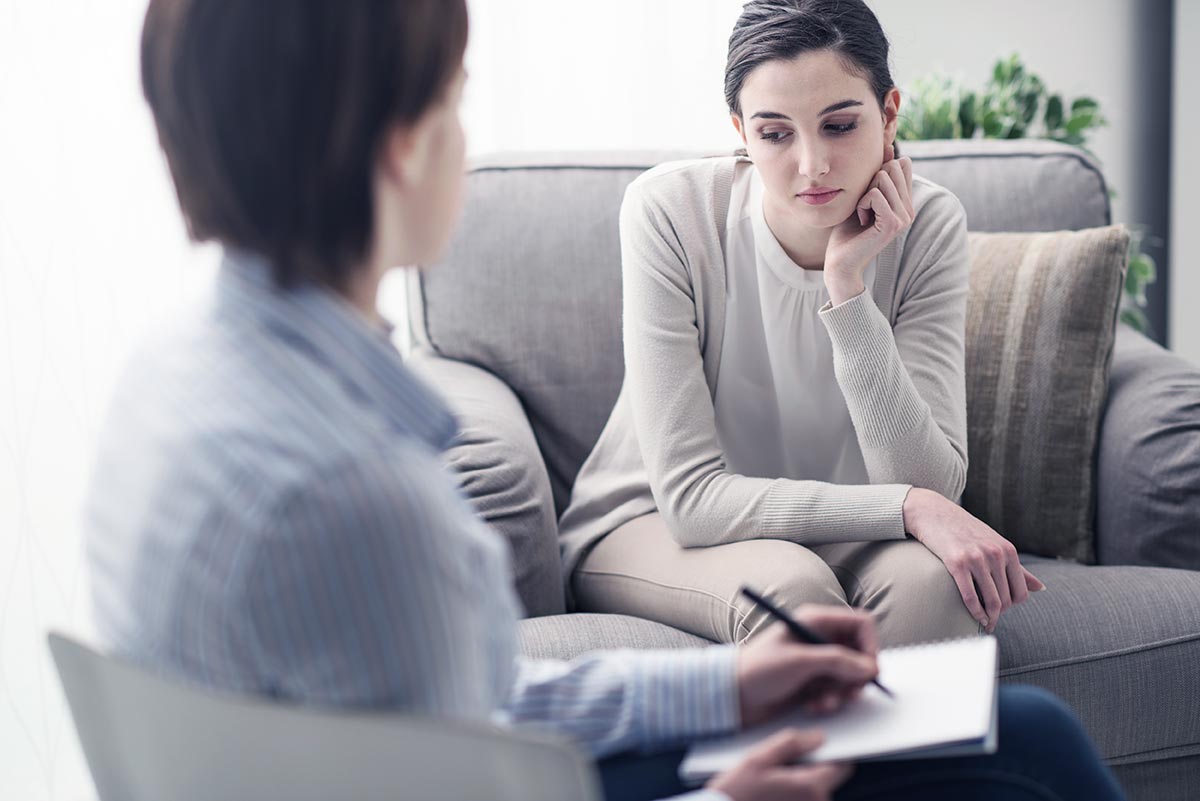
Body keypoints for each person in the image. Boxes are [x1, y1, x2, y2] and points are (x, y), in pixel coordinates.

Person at [83, 1, 1126, 800]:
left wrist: (725, 691)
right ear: (403, 149)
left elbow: (471, 707)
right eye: (453, 98)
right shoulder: (359, 497)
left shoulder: (171, 388)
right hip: (664, 550)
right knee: (1039, 742)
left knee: (1003, 726)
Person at [558, 0, 1044, 648]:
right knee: (793, 589)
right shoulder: (670, 212)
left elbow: (929, 482)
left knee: (938, 592)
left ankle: (901, 753)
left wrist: (846, 290)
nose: (812, 164)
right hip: (653, 523)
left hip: (848, 530)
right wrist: (903, 508)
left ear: (889, 112)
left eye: (839, 125)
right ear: (741, 129)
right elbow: (692, 499)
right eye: (775, 133)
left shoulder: (931, 224)